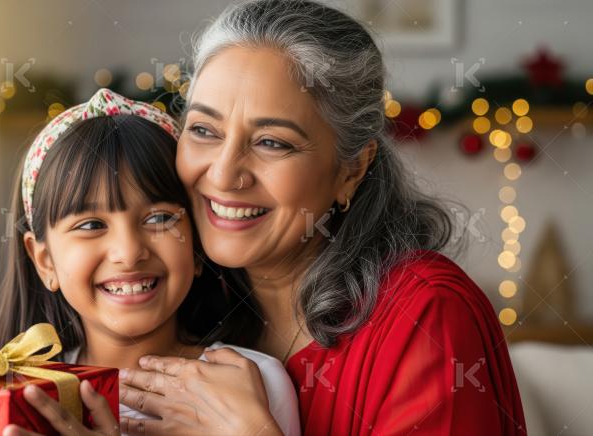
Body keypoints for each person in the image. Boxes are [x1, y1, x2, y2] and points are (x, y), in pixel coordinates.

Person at [116, 1, 527, 435]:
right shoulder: (182, 304)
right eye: (203, 130)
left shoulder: (425, 315)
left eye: (272, 143)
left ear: (350, 170)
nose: (222, 174)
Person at [0, 89, 300, 436]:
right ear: (43, 260)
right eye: (90, 225)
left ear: (198, 248)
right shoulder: (17, 397)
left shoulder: (248, 384)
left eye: (160, 218)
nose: (128, 252)